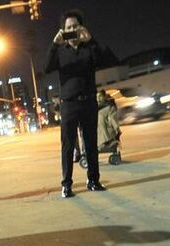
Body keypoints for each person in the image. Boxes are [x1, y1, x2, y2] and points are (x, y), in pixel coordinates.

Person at [44, 8, 107, 198]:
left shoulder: (89, 48)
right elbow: (46, 68)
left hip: (88, 102)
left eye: (75, 26)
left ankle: (93, 180)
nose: (72, 29)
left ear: (82, 28)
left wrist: (92, 40)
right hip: (69, 104)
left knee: (91, 143)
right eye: (68, 27)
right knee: (68, 146)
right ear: (63, 30)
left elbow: (103, 62)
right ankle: (66, 184)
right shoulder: (61, 51)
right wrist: (55, 45)